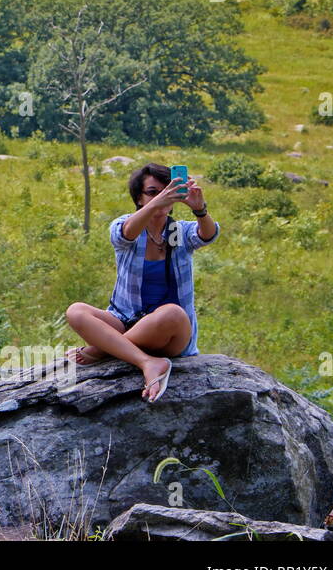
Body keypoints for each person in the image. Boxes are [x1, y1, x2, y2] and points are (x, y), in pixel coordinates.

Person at [65, 163, 219, 403]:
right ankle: (147, 362)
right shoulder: (127, 225)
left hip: (169, 333)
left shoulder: (178, 231)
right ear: (139, 197)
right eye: (152, 192)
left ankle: (104, 348)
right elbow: (125, 234)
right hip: (125, 321)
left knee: (172, 313)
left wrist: (200, 210)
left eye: (166, 190)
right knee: (76, 311)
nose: (161, 196)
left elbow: (207, 235)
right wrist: (156, 204)